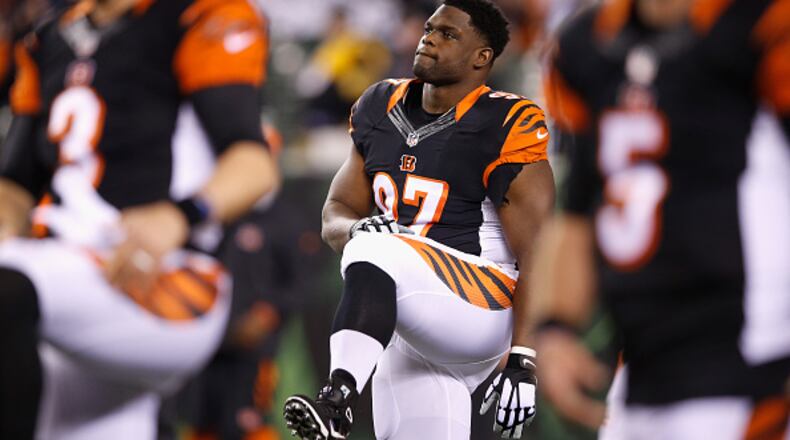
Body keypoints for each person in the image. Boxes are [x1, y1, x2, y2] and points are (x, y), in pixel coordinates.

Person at [0, 0, 278, 438]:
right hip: (63, 287)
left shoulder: (196, 13)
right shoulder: (48, 36)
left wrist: (180, 215)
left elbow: (254, 164)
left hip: (166, 279)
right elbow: (15, 181)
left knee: (8, 286)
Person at [283, 0, 555, 439]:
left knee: (377, 245)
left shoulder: (505, 120)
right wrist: (356, 230)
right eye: (430, 28)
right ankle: (340, 402)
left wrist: (524, 357)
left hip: (482, 304)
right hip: (411, 317)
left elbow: (540, 249)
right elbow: (336, 213)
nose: (429, 37)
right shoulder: (380, 105)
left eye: (449, 34)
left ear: (481, 57)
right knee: (370, 239)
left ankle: (336, 401)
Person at [533, 0, 790, 437]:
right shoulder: (586, 46)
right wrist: (554, 327)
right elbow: (576, 211)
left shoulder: (763, 25)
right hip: (642, 366)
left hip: (752, 365)